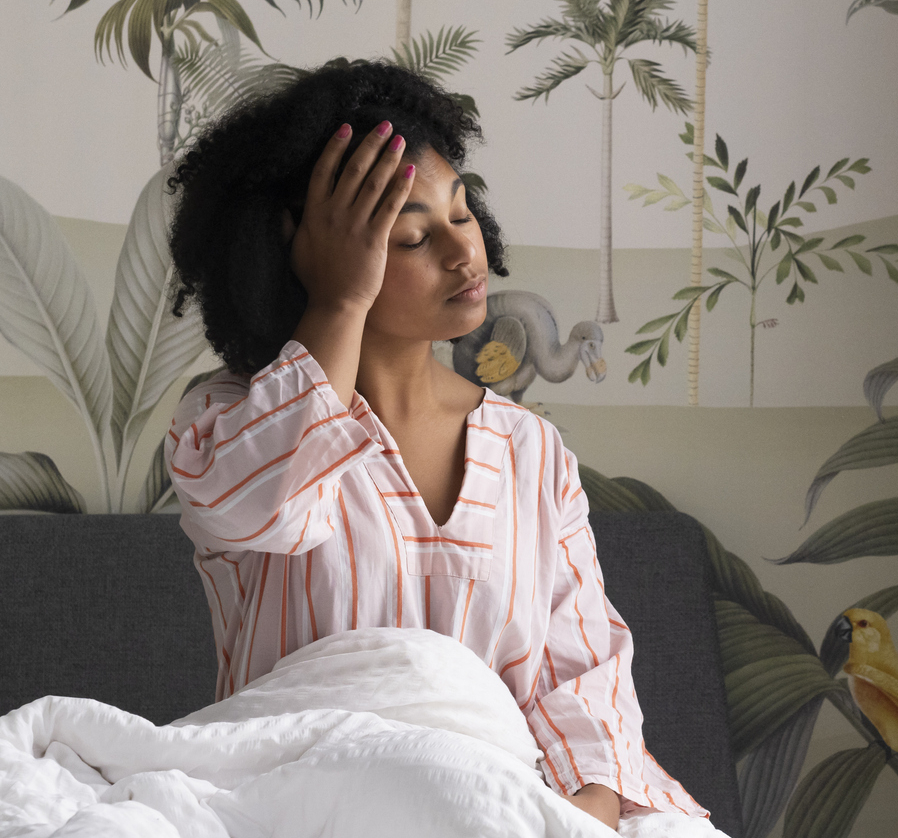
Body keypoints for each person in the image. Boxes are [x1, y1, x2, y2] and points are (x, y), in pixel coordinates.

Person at [163, 60, 709, 830]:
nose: (465, 253)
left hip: (508, 802)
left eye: (463, 213)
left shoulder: (532, 451)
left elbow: (580, 671)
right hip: (309, 801)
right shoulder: (226, 426)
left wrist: (581, 810)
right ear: (310, 254)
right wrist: (339, 298)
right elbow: (261, 507)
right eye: (414, 236)